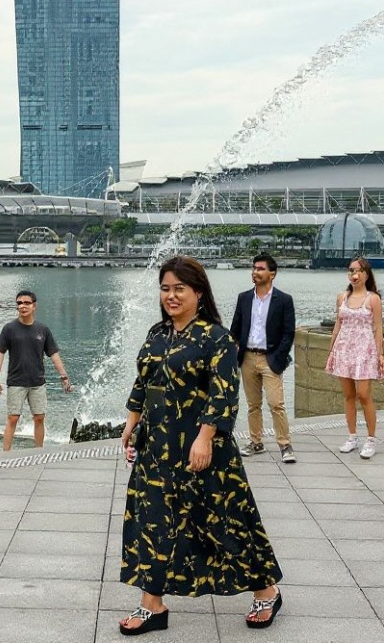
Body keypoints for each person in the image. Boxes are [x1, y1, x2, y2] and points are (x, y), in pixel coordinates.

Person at [118, 256, 283, 635]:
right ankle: (152, 605)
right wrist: (130, 425)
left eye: (179, 289)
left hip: (201, 450)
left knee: (223, 522)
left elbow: (224, 394)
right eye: (165, 289)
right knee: (153, 522)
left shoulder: (216, 338)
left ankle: (267, 591)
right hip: (157, 450)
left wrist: (205, 438)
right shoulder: (157, 334)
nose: (171, 296)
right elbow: (142, 383)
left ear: (198, 292)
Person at [229, 253, 297, 463]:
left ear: (272, 274)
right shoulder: (244, 298)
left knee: (276, 404)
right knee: (253, 404)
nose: (255, 272)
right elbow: (235, 329)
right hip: (248, 357)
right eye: (254, 268)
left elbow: (289, 332)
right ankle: (255, 441)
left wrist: (278, 356)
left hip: (270, 358)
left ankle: (285, 445)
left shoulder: (284, 300)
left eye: (260, 268)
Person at [0, 290, 72, 450]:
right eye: (19, 303)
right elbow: (0, 353)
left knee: (39, 418)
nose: (22, 306)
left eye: (26, 303)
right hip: (16, 382)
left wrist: (64, 376)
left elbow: (53, 354)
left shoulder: (43, 329)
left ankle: (39, 451)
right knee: (13, 418)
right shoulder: (9, 329)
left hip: (38, 382)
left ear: (34, 306)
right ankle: (5, 454)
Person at [325, 257, 384, 459]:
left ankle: (370, 439)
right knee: (348, 395)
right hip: (344, 350)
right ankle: (352, 436)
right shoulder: (342, 297)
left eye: (359, 271)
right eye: (351, 270)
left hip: (364, 351)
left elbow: (378, 328)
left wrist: (380, 355)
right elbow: (337, 324)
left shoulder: (373, 299)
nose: (354, 275)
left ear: (367, 274)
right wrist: (331, 349)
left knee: (364, 394)